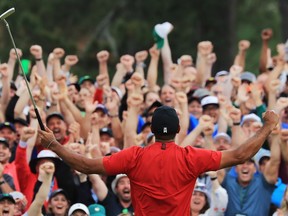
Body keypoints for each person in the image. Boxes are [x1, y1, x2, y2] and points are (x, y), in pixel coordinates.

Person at [38, 106, 279, 215]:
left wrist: (53, 144)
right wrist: (267, 126)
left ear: (152, 129)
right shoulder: (190, 157)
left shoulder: (134, 156)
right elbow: (240, 155)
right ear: (177, 130)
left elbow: (85, 166)